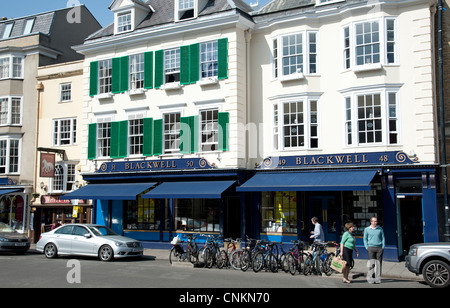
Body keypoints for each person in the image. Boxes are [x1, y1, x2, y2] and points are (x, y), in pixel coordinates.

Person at [363, 217, 385, 283]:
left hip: (379, 248)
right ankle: (372, 278)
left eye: (376, 221)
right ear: (371, 222)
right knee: (372, 263)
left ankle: (377, 278)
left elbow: (383, 238)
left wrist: (383, 247)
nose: (375, 223)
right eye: (374, 221)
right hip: (371, 248)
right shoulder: (367, 229)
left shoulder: (380, 229)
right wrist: (366, 247)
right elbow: (365, 239)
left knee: (378, 263)